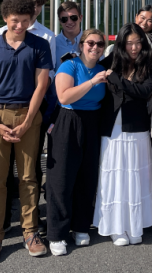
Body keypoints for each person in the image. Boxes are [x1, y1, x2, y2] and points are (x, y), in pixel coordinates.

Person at [0, 0, 53, 263]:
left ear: (31, 19)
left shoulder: (40, 45)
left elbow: (42, 85)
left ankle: (30, 231)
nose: (19, 26)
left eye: (24, 21)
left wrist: (29, 120)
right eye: (14, 21)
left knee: (29, 177)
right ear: (5, 18)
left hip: (28, 115)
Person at [0, 0, 56, 234]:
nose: (33, 10)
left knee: (30, 168)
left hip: (33, 105)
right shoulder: (0, 35)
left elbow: (47, 77)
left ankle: (31, 219)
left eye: (38, 6)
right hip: (4, 107)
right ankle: (6, 216)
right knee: (4, 168)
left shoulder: (46, 38)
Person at [94, 23, 152, 246]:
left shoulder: (149, 66)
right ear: (121, 43)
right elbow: (90, 69)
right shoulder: (110, 63)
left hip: (137, 128)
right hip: (111, 128)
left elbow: (144, 91)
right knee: (114, 177)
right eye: (129, 43)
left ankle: (134, 224)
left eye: (138, 42)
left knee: (135, 176)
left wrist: (117, 80)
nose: (134, 47)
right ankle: (115, 226)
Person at [47, 29, 110, 256]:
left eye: (100, 44)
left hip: (92, 123)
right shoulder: (70, 66)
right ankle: (57, 233)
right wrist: (92, 82)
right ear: (82, 45)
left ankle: (81, 226)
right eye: (90, 43)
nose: (95, 48)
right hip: (68, 119)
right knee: (62, 178)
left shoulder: (103, 69)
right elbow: (64, 96)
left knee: (87, 176)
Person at [54, 1, 83, 71]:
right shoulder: (53, 43)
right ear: (60, 21)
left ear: (80, 18)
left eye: (73, 18)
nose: (69, 22)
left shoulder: (91, 42)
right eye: (64, 19)